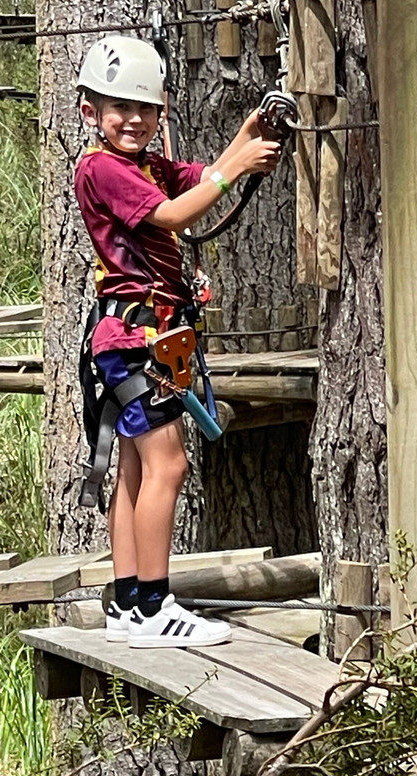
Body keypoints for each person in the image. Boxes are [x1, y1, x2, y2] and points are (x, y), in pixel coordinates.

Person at [74, 35, 281, 648]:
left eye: (146, 109)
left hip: (138, 338)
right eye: (120, 108)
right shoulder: (102, 169)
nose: (134, 119)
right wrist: (235, 168)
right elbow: (172, 215)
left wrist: (246, 136)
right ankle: (154, 607)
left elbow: (197, 181)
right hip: (134, 340)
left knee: (135, 468)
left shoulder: (146, 167)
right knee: (169, 463)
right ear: (91, 112)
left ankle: (128, 603)